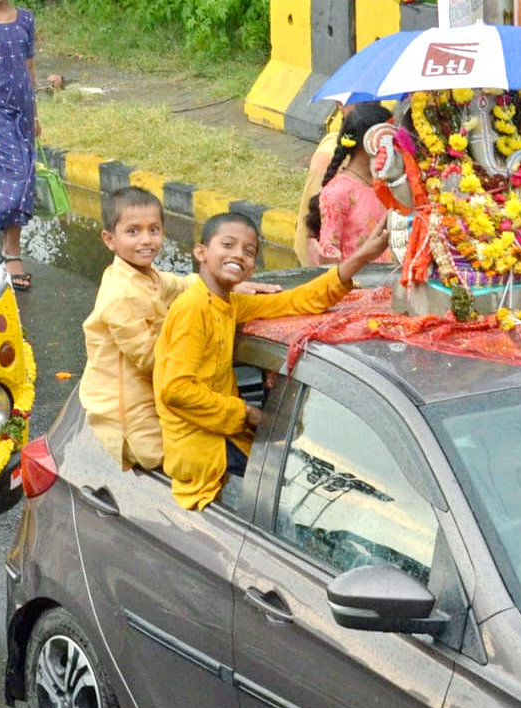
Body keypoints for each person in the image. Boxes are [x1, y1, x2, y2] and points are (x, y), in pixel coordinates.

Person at [153, 210, 390, 510]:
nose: (238, 255)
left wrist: (362, 257)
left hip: (221, 436)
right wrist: (248, 415)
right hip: (203, 450)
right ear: (201, 252)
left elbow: (295, 301)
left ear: (252, 266)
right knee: (297, 495)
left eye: (248, 251)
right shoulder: (193, 308)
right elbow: (175, 390)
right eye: (228, 245)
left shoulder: (228, 303)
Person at [80, 187, 278, 471]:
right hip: (135, 420)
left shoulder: (147, 275)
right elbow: (153, 360)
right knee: (239, 465)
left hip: (160, 403)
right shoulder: (120, 295)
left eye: (154, 229)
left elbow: (184, 285)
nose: (146, 240)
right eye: (133, 232)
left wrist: (231, 285)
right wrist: (201, 334)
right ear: (110, 239)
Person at [0, 0, 38, 292]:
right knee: (9, 177)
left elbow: (28, 68)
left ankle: (11, 250)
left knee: (24, 178)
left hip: (22, 113)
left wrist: (35, 113)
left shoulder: (25, 19)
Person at [294, 101, 390, 266]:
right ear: (369, 144)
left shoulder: (386, 185)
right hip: (354, 287)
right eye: (388, 142)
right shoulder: (338, 192)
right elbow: (329, 261)